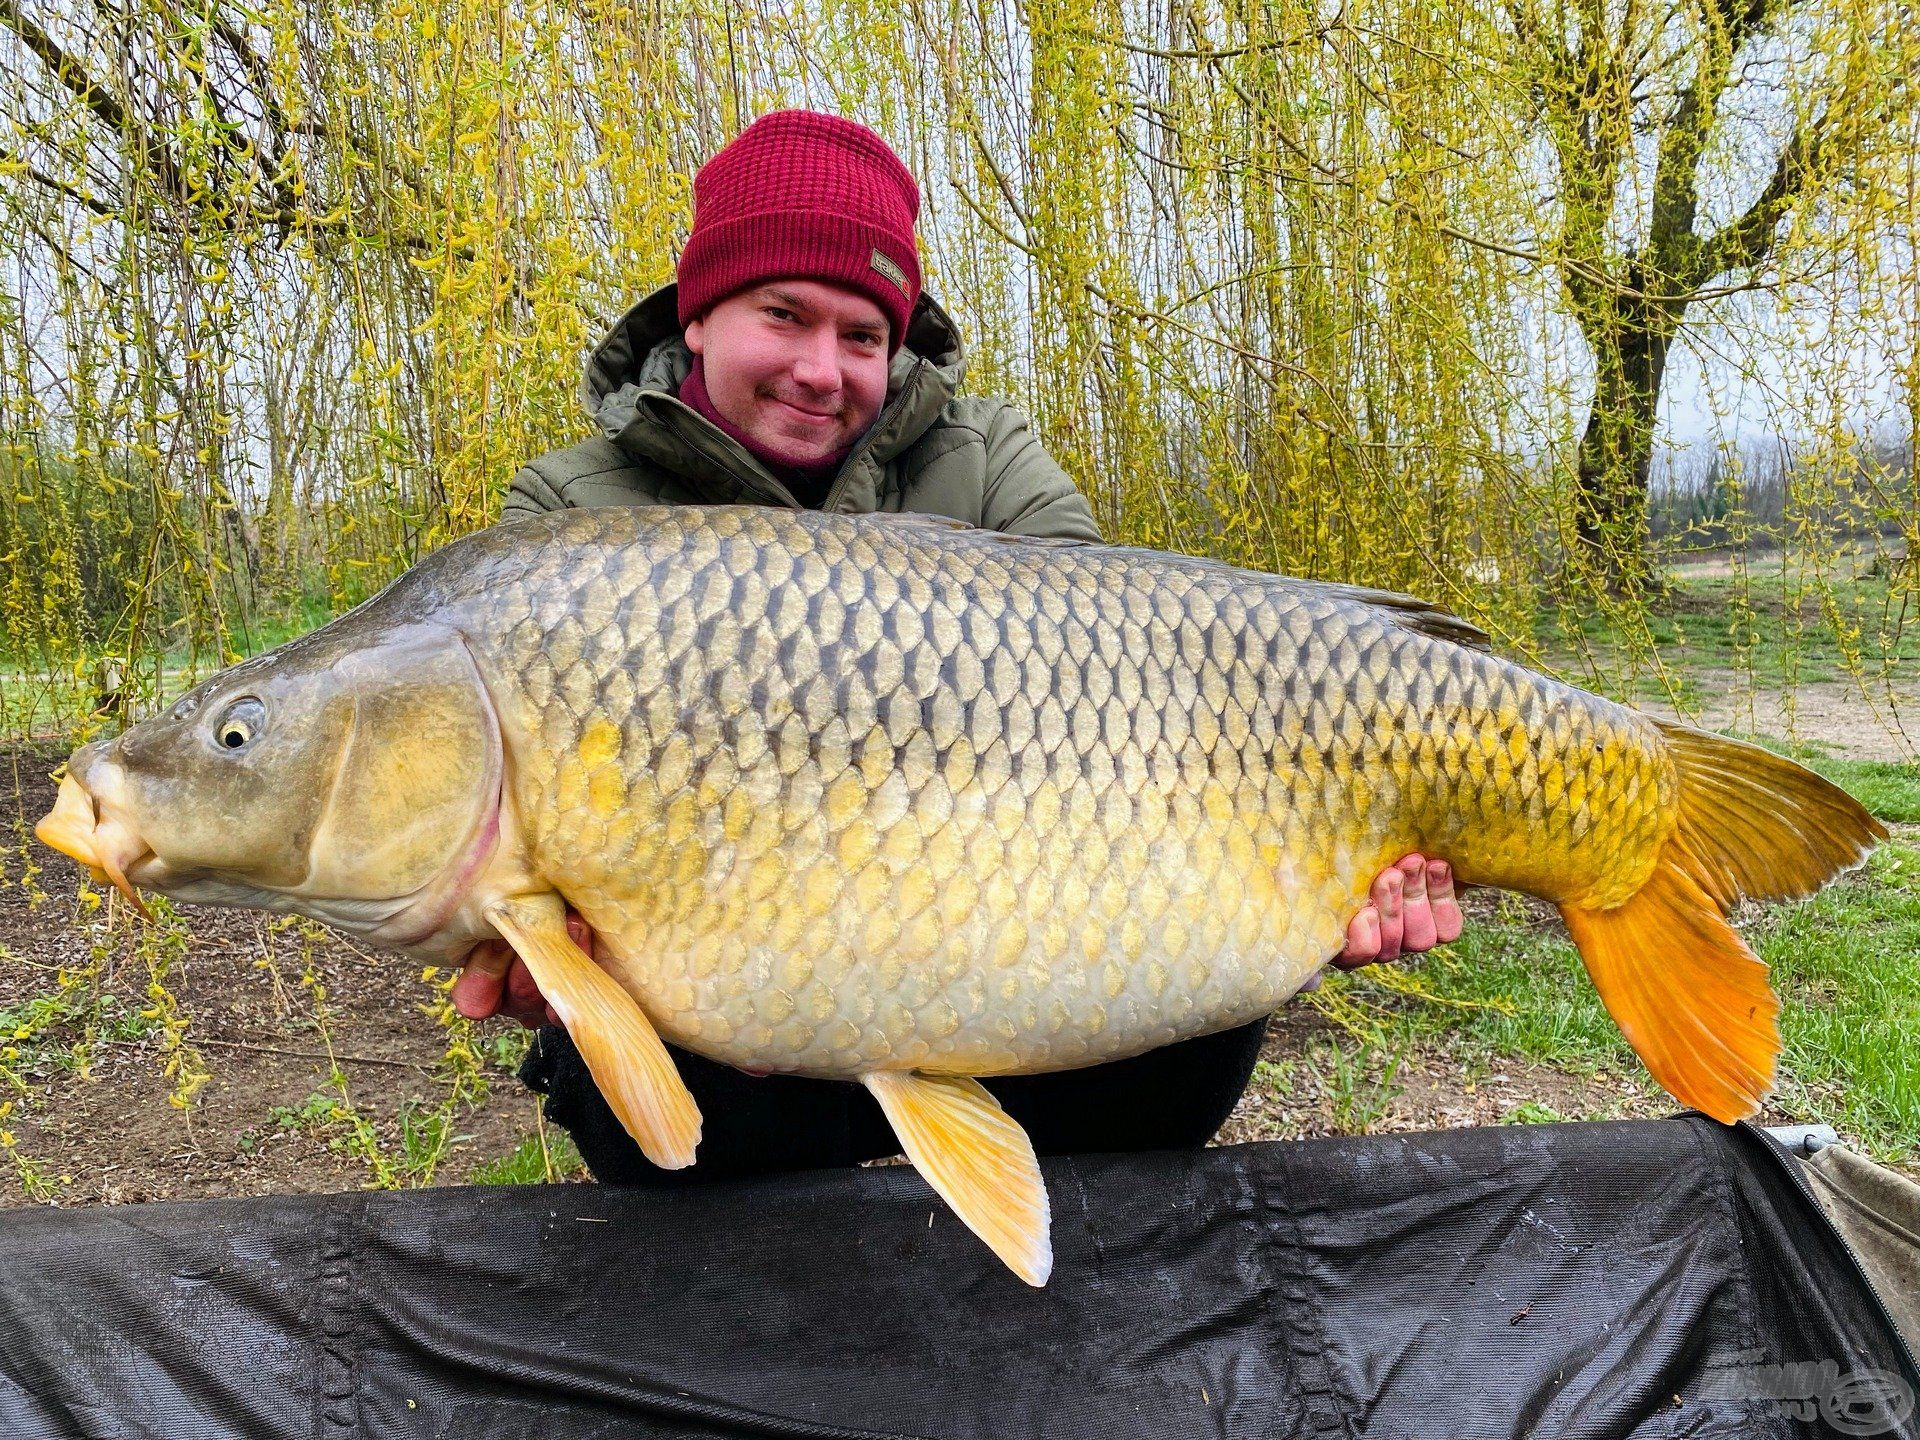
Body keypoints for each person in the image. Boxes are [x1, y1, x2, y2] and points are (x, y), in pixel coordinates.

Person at [454, 110, 1463, 1183]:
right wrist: (557, 967)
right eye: (782, 315)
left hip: (1005, 954)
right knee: (673, 1133)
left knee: (1199, 1044)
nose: (819, 369)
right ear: (698, 317)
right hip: (727, 1033)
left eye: (862, 336)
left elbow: (1133, 683)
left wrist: (1315, 886)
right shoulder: (570, 516)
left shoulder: (985, 461)